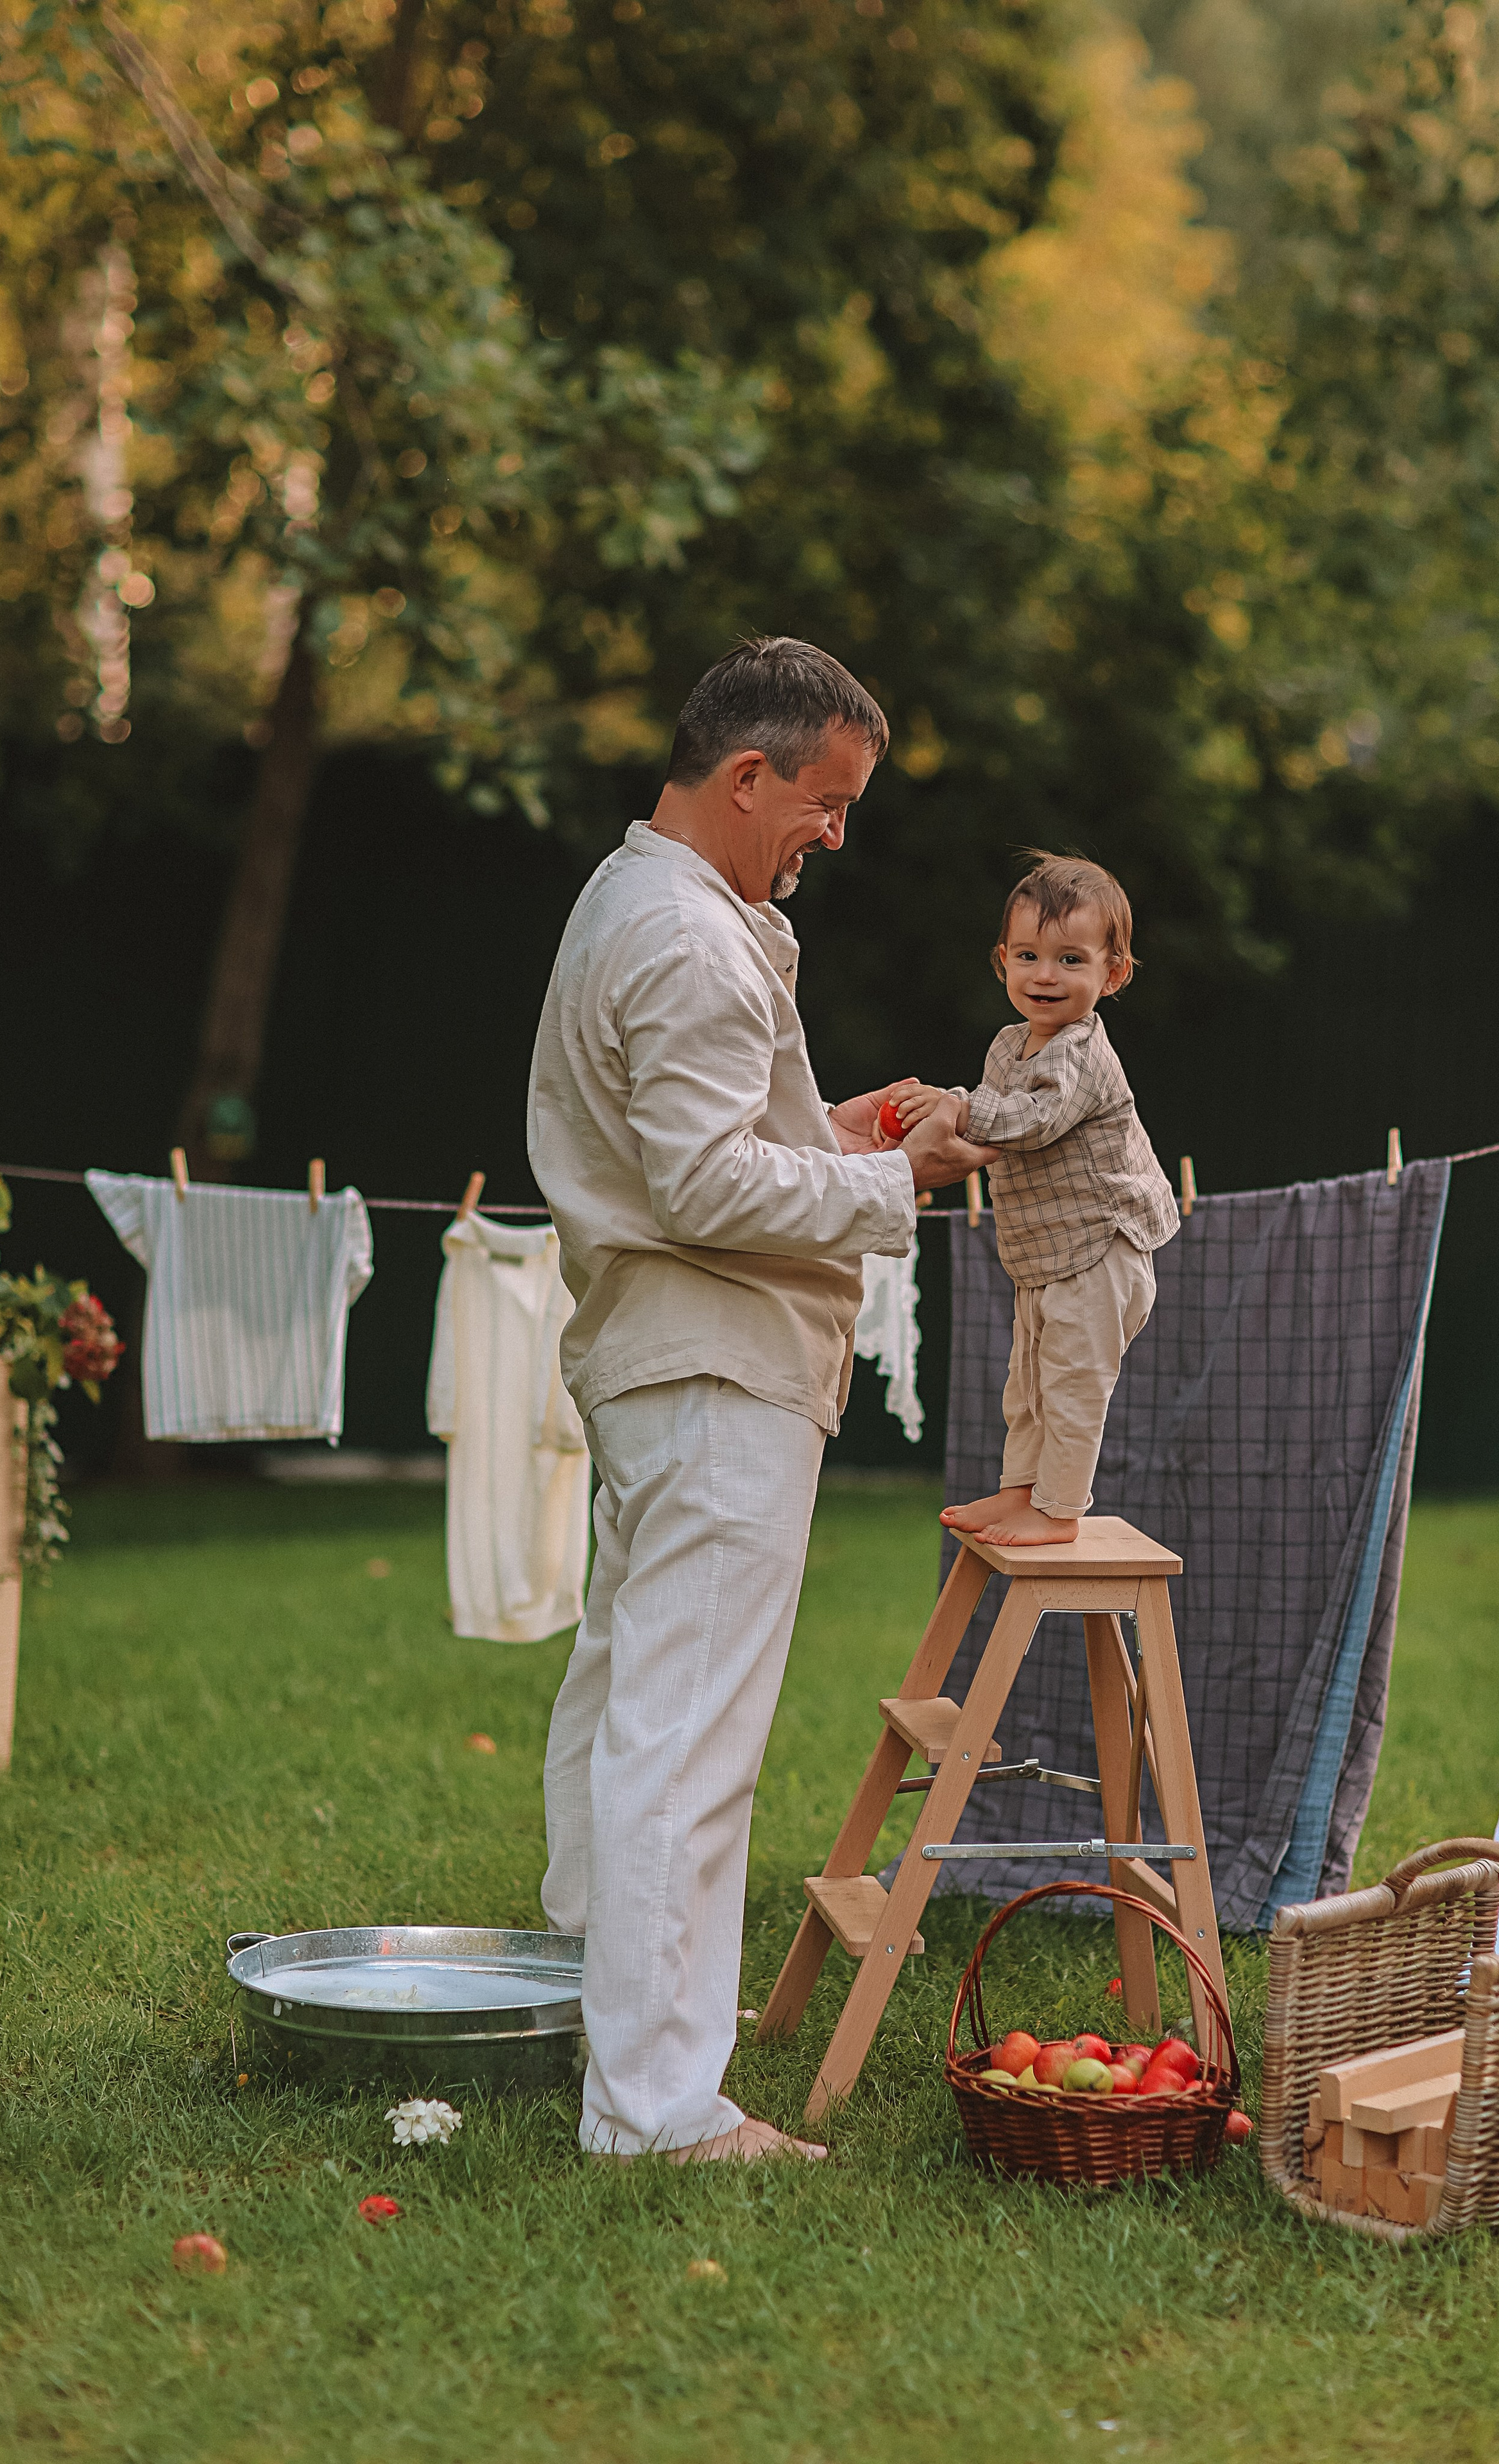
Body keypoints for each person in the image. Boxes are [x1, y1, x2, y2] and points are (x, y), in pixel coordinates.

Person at [527, 636, 995, 2162]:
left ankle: (592, 2028)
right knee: (686, 1742)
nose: (836, 834)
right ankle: (657, 2107)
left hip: (667, 1356)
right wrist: (895, 1171)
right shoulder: (688, 937)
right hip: (715, 1366)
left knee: (626, 1706)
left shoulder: (645, 899)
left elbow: (719, 1142)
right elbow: (703, 1182)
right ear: (746, 774)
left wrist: (839, 1125)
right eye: (826, 800)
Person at [887, 852, 1179, 1547]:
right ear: (1003, 963)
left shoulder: (1081, 1052)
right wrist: (945, 1120)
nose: (1046, 976)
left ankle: (1059, 1510)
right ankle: (1022, 1492)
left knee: (1074, 1386)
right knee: (1028, 1388)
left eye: (1070, 960)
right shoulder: (1008, 1046)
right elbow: (998, 1121)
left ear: (1112, 975)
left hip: (1101, 1248)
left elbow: (1032, 1120)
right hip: (1044, 1253)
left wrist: (954, 1109)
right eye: (1029, 955)